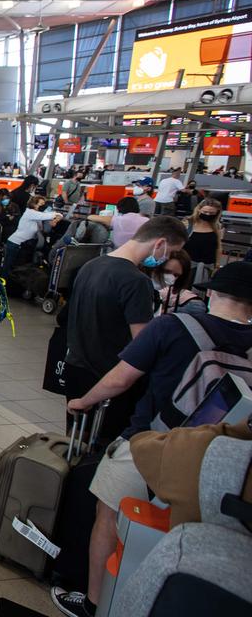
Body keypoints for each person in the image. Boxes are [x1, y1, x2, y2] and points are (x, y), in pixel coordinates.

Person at [52, 262, 252, 617]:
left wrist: (83, 401)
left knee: (108, 513)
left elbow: (120, 379)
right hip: (219, 461)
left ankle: (94, 601)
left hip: (151, 442)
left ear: (213, 293)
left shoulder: (171, 326)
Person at [64, 216, 190, 443]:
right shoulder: (135, 281)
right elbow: (142, 345)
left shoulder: (90, 265)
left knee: (74, 442)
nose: (167, 259)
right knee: (101, 449)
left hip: (76, 368)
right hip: (108, 382)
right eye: (171, 252)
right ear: (160, 243)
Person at [0, 195, 61, 280]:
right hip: (14, 243)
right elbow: (48, 216)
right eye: (41, 204)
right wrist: (56, 216)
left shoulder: (36, 215)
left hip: (21, 245)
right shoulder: (30, 213)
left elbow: (47, 223)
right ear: (34, 204)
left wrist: (55, 219)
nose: (43, 206)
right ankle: (1, 287)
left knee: (15, 268)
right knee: (8, 268)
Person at [153, 250, 205, 316]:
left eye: (176, 275)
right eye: (167, 271)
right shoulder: (154, 288)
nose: (170, 277)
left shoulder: (160, 290)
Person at [185, 197, 223, 283]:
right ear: (199, 209)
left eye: (211, 213)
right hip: (188, 265)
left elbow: (219, 247)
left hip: (208, 266)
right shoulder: (188, 223)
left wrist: (217, 266)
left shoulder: (217, 226)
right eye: (205, 212)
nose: (208, 215)